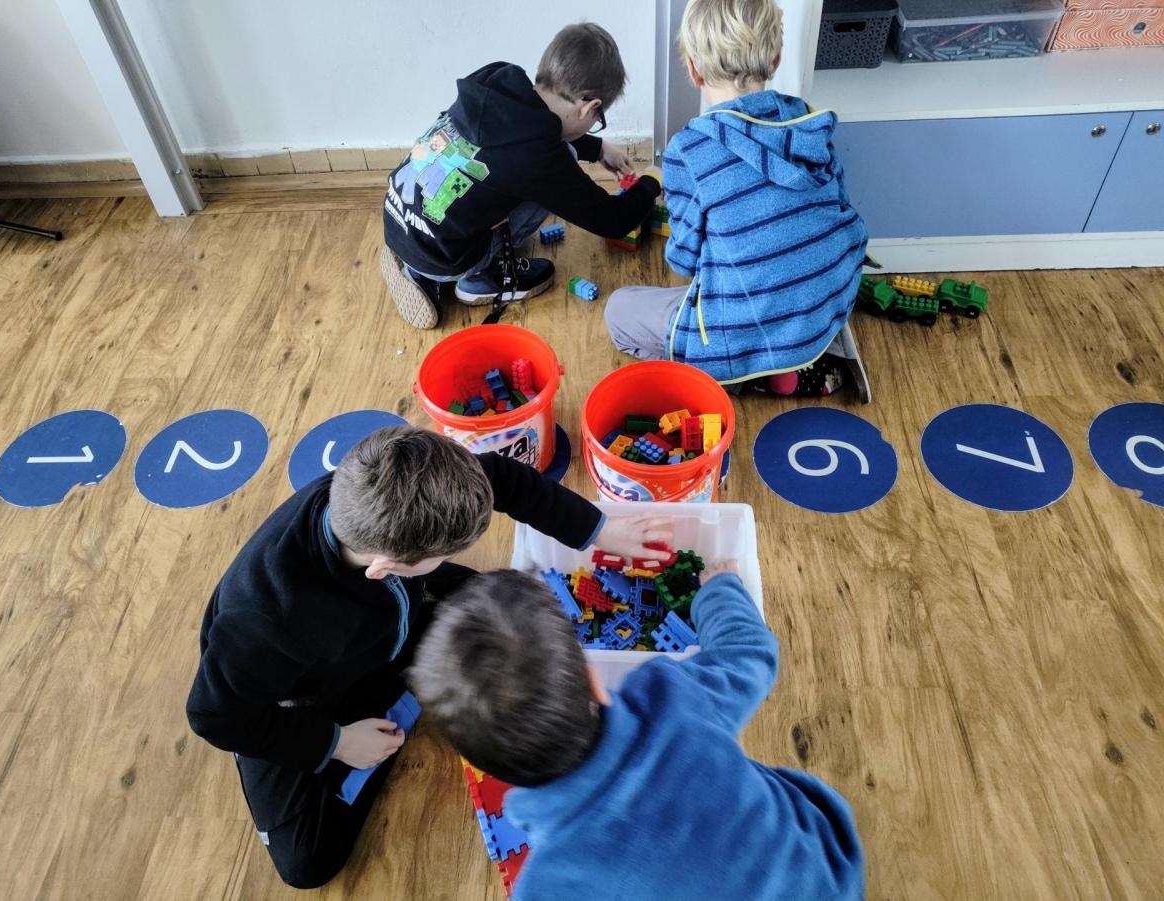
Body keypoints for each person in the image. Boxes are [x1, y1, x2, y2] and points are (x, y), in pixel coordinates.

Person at [185, 425, 670, 888]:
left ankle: (410, 670)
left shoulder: (398, 483)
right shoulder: (268, 621)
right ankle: (397, 690)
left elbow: (504, 478)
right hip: (296, 695)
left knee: (507, 617)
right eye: (443, 553)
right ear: (386, 566)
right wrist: (335, 743)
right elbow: (214, 717)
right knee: (307, 862)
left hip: (387, 623)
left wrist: (600, 531)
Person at [410, 563, 865, 900]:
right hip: (829, 879)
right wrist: (721, 588)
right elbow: (749, 652)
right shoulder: (673, 698)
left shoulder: (544, 885)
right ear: (594, 682)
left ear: (488, 767)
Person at [604, 0, 871, 400]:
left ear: (693, 70)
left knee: (619, 310)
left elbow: (684, 262)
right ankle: (791, 365)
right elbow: (839, 205)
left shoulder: (689, 150)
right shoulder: (807, 120)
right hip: (825, 302)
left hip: (746, 325)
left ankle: (743, 373)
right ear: (776, 59)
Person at [380, 22, 662, 329]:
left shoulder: (495, 83)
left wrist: (598, 148)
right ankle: (481, 276)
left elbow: (533, 129)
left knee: (535, 168)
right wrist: (652, 181)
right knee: (562, 163)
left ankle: (413, 261)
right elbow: (613, 221)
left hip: (398, 217)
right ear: (588, 107)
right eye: (598, 118)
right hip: (443, 257)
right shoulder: (539, 156)